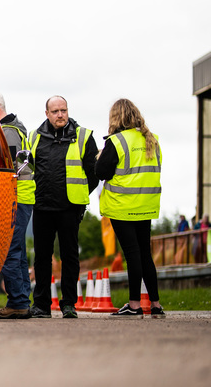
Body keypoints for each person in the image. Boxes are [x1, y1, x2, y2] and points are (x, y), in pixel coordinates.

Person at [28, 95, 98, 319]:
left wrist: (79, 195)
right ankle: (41, 305)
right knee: (42, 258)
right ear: (47, 114)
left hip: (70, 207)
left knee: (69, 257)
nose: (60, 115)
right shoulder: (33, 137)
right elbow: (26, 170)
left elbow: (93, 174)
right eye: (56, 111)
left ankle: (69, 304)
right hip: (42, 206)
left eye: (64, 110)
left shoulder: (84, 137)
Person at [95, 98, 164, 317]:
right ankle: (155, 304)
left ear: (115, 117)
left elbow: (101, 172)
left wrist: (100, 156)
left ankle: (134, 305)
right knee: (145, 254)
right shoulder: (152, 140)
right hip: (146, 205)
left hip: (122, 206)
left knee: (132, 254)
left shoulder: (116, 142)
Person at [0, 91, 34, 319]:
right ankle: (23, 300)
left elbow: (9, 172)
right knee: (19, 252)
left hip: (16, 198)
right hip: (22, 197)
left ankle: (17, 302)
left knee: (9, 251)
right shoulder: (16, 129)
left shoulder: (8, 133)